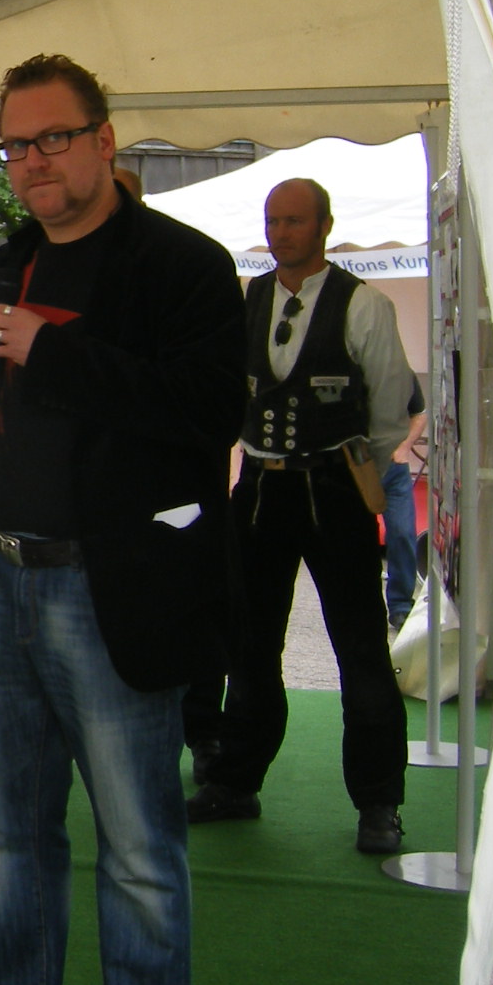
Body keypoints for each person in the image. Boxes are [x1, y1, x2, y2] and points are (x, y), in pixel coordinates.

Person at [0, 54, 245, 985]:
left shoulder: (180, 265)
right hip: (0, 582)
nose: (33, 160)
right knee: (8, 837)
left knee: (137, 852)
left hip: (114, 589)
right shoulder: (11, 262)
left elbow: (207, 412)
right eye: (16, 144)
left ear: (103, 139)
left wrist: (55, 353)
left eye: (53, 137)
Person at [188, 178, 416, 855]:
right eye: (273, 221)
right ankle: (237, 780)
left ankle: (378, 801)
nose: (281, 233)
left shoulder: (364, 304)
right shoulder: (247, 299)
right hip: (260, 488)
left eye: (294, 221)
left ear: (324, 227)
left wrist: (346, 463)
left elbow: (389, 407)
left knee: (360, 647)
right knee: (250, 643)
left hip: (333, 488)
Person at [383, 387, 427, 632]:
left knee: (402, 532)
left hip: (393, 468)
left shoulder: (402, 376)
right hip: (358, 464)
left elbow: (419, 414)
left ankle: (400, 605)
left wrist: (404, 447)